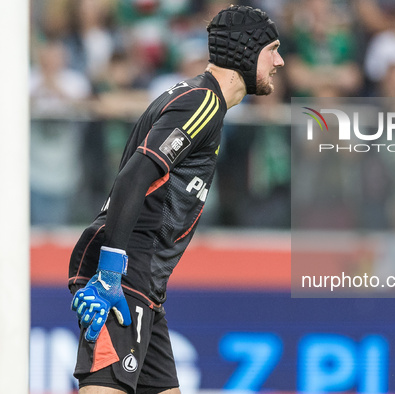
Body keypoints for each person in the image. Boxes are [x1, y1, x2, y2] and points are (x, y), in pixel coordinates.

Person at [67, 5, 284, 393]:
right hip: (125, 273)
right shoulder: (204, 102)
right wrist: (111, 273)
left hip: (144, 283)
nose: (280, 61)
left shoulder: (195, 98)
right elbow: (134, 176)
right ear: (247, 52)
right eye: (273, 49)